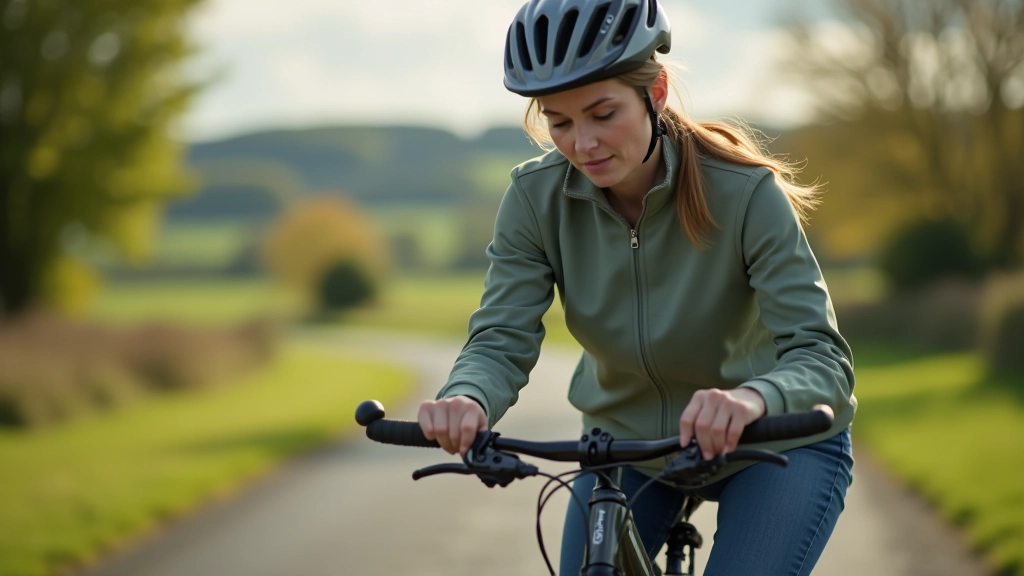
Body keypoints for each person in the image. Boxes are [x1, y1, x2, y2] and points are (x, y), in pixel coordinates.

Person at [417, 1, 857, 574]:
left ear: (656, 93)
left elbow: (822, 359)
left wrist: (750, 400)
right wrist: (467, 397)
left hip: (773, 439)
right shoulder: (533, 199)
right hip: (626, 449)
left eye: (603, 113)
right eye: (560, 122)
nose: (584, 144)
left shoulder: (747, 193)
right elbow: (501, 336)